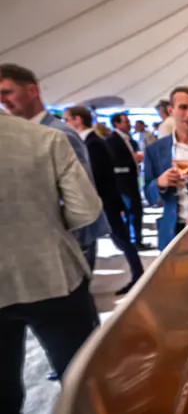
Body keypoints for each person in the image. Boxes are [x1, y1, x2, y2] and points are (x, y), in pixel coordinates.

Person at [0, 113, 102, 414]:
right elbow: (86, 208)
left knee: (1, 402)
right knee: (84, 381)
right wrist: (47, 225)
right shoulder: (44, 138)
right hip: (51, 275)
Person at [0, 63, 108, 267]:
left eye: (7, 92)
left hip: (64, 246)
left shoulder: (58, 134)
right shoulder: (21, 136)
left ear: (32, 91)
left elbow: (84, 197)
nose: (2, 100)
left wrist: (74, 245)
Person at [64, 106, 145, 293]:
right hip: (101, 202)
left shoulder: (94, 143)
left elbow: (99, 177)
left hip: (104, 202)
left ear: (77, 120)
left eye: (67, 119)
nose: (65, 124)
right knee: (99, 243)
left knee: (120, 240)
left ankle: (138, 276)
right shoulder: (91, 141)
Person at [144, 86, 188, 250]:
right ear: (170, 110)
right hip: (172, 230)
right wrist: (160, 183)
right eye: (183, 107)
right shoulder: (155, 150)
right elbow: (148, 195)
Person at [107, 113, 147, 250]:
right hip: (122, 182)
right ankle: (129, 241)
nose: (129, 125)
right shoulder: (111, 141)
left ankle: (137, 240)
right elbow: (113, 161)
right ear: (116, 124)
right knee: (129, 211)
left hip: (133, 180)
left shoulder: (130, 140)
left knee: (136, 211)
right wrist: (132, 158)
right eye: (126, 122)